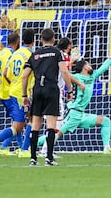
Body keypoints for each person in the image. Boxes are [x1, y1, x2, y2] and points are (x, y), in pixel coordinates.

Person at [37, 39, 111, 155]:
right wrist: (72, 61)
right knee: (56, 133)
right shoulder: (76, 77)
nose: (90, 65)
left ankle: (107, 148)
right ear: (84, 68)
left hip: (82, 114)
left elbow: (105, 66)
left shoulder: (92, 77)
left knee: (105, 121)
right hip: (73, 114)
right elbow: (64, 73)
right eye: (88, 64)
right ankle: (32, 144)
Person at [22, 28, 73, 166]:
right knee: (51, 125)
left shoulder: (35, 54)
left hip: (37, 89)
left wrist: (24, 95)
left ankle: (33, 158)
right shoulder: (57, 53)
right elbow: (64, 71)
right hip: (51, 89)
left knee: (35, 125)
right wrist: (70, 90)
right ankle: (48, 158)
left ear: (40, 40)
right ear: (54, 39)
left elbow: (25, 75)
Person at [0, 30, 35, 158]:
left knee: (23, 121)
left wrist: (7, 84)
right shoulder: (30, 55)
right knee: (20, 124)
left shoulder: (12, 54)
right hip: (21, 94)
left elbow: (4, 73)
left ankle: (20, 148)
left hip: (10, 92)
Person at [0, 33, 21, 156]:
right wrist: (12, 83)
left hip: (2, 93)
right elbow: (9, 74)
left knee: (18, 121)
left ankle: (8, 147)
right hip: (12, 93)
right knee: (19, 121)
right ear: (17, 42)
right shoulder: (14, 55)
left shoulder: (0, 54)